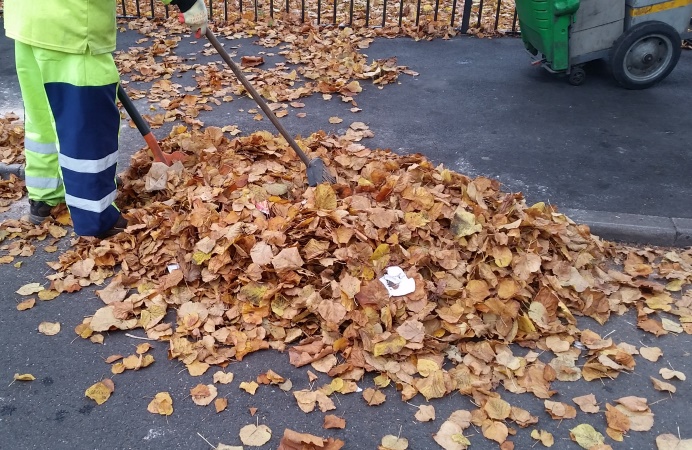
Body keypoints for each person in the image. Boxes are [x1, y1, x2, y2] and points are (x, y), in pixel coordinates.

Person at [3, 0, 208, 238]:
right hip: (72, 27)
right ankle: (97, 217)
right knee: (87, 130)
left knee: (43, 120)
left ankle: (45, 197)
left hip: (27, 20)